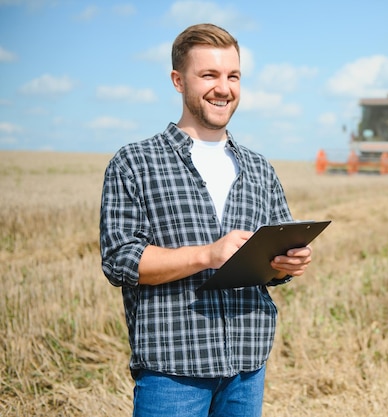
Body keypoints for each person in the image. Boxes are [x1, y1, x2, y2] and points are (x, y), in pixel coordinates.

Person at [99, 23, 313, 417]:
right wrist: (206, 255)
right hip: (172, 373)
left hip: (247, 369)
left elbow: (275, 260)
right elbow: (120, 261)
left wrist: (288, 264)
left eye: (233, 76)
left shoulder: (259, 168)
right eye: (209, 75)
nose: (224, 87)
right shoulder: (134, 163)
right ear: (178, 81)